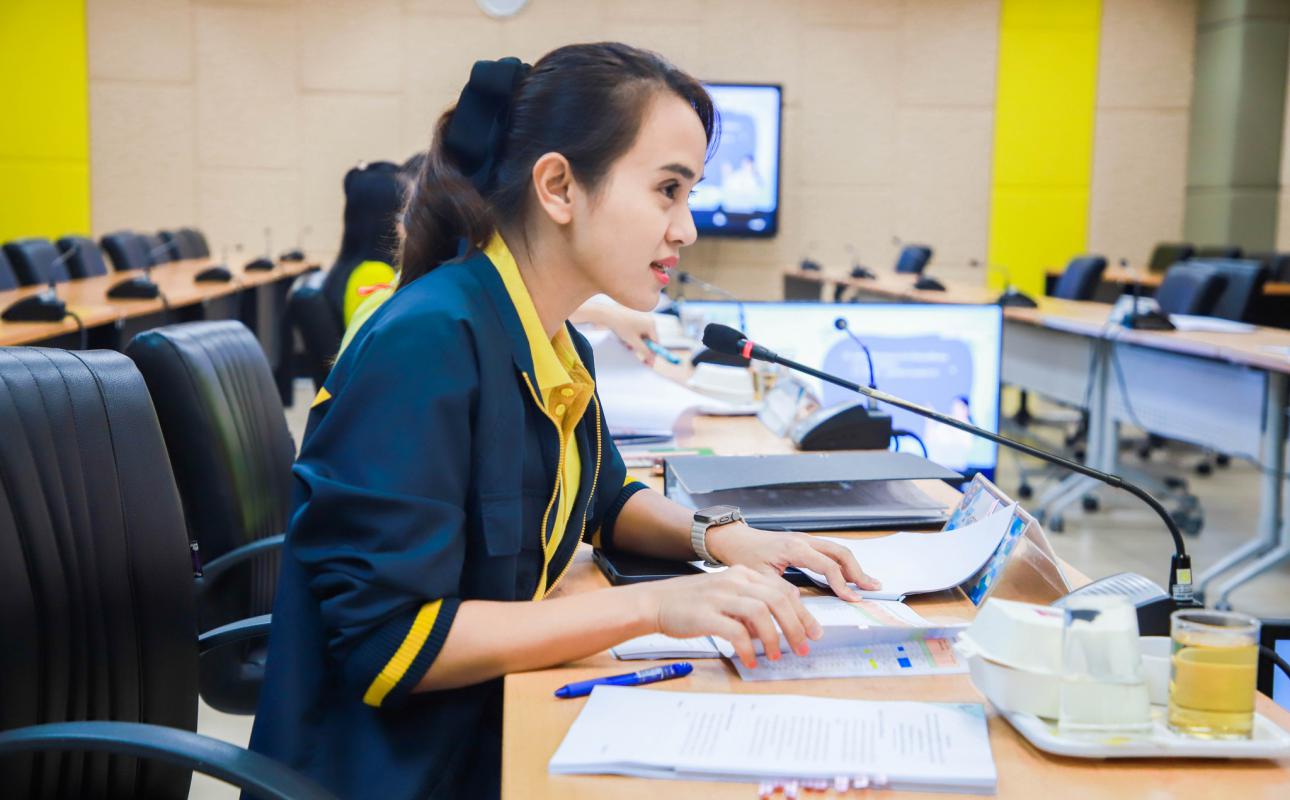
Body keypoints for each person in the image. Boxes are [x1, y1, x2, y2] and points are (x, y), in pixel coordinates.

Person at [248, 43, 877, 800]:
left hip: (484, 725)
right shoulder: (428, 343)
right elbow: (389, 642)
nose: (686, 228)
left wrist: (726, 538)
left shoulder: (551, 337)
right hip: (402, 771)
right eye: (668, 190)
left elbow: (600, 499)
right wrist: (653, 605)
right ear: (558, 187)